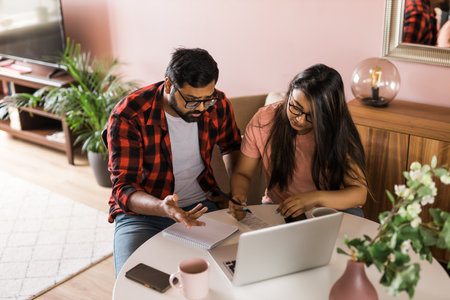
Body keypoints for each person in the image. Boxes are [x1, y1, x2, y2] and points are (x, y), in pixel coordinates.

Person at [106, 48, 241, 276]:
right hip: (142, 216)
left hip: (202, 208)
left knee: (233, 270)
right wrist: (163, 207)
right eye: (191, 101)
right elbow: (124, 187)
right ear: (169, 85)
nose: (200, 108)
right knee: (136, 281)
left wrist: (234, 192)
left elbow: (233, 146)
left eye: (206, 99)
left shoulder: (216, 104)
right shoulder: (129, 115)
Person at [229, 64, 368, 221]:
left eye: (312, 115)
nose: (300, 119)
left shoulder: (338, 131)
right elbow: (243, 173)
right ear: (289, 94)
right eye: (295, 107)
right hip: (280, 207)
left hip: (334, 210)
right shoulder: (264, 120)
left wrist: (314, 198)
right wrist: (239, 197)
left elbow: (359, 193)